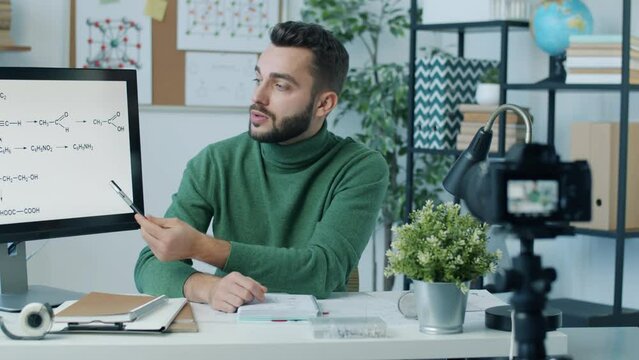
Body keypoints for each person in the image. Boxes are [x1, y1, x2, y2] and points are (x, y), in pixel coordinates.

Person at [133, 21, 389, 313]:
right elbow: (150, 265)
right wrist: (209, 287)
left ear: (323, 104)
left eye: (280, 85)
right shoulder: (216, 161)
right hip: (232, 334)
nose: (258, 97)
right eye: (258, 79)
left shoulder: (360, 167)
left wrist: (201, 247)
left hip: (318, 337)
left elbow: (323, 270)